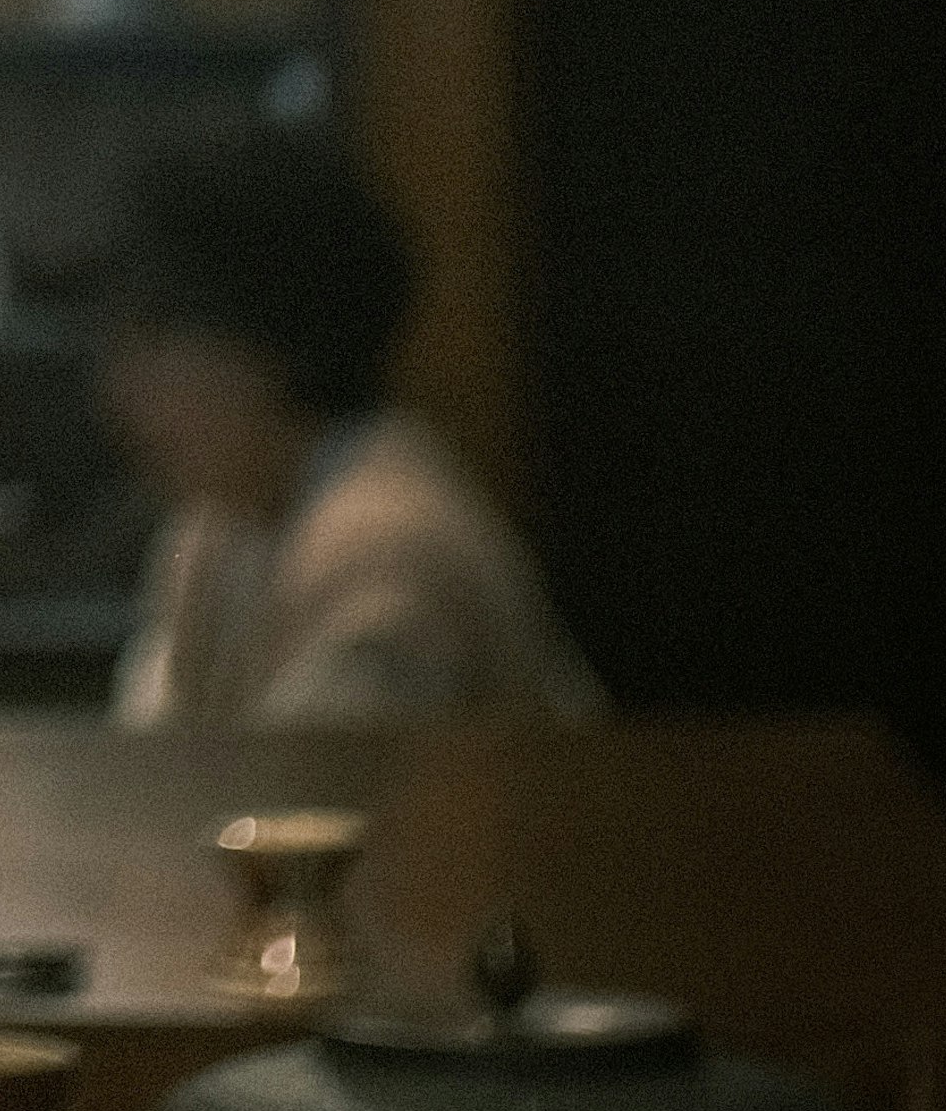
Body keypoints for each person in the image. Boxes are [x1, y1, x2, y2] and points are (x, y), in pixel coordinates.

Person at [100, 124, 605, 727]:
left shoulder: (381, 544)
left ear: (276, 344)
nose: (119, 390)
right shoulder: (219, 529)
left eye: (156, 335)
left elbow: (298, 804)